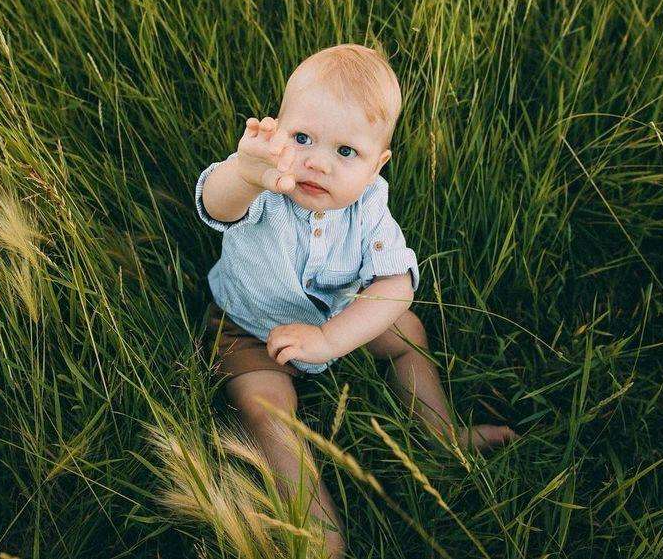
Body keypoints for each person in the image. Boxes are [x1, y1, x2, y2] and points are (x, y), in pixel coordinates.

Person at [194, 43, 517, 558]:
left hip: (335, 319)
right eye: (302, 138)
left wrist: (330, 339)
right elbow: (217, 203)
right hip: (248, 327)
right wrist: (243, 172)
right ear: (276, 132)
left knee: (407, 332)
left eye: (346, 152)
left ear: (376, 164)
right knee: (267, 413)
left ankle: (439, 433)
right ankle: (319, 536)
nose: (318, 162)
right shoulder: (263, 183)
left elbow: (395, 286)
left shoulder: (369, 207)